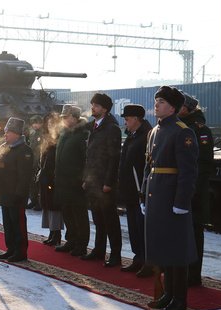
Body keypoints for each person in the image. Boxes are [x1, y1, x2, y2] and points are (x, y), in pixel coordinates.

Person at [142, 86, 198, 310]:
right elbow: (149, 166)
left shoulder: (182, 131)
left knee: (177, 249)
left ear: (173, 107)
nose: (157, 105)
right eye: (156, 101)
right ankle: (167, 293)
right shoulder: (155, 130)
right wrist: (143, 194)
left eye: (162, 101)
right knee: (163, 246)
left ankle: (179, 298)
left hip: (171, 196)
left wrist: (181, 202)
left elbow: (188, 171)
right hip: (157, 195)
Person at [178, 92, 214, 287]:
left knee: (194, 233)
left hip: (195, 193)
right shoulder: (178, 126)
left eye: (180, 105)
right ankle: (182, 271)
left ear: (188, 108)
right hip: (183, 190)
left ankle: (193, 275)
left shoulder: (200, 130)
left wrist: (191, 190)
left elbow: (204, 164)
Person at [82, 93, 122, 267]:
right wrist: (86, 179)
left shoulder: (112, 128)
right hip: (93, 180)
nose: (92, 108)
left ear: (104, 109)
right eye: (92, 104)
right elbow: (89, 156)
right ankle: (99, 250)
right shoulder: (94, 126)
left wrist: (108, 183)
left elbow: (114, 158)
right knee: (98, 218)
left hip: (104, 182)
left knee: (110, 220)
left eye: (96, 105)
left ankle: (115, 254)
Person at [117, 104, 153, 277]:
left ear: (136, 119)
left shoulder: (147, 135)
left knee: (142, 227)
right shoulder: (132, 135)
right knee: (133, 226)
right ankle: (138, 257)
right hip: (131, 189)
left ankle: (148, 261)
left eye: (127, 119)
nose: (125, 122)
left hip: (141, 190)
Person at [0, 117, 33, 262]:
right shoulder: (7, 148)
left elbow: (25, 176)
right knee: (8, 223)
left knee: (18, 224)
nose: (5, 135)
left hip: (16, 194)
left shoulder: (24, 151)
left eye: (8, 133)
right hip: (5, 192)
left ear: (16, 133)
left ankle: (21, 251)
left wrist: (20, 194)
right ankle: (10, 249)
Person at [54, 105, 90, 257]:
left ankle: (81, 244)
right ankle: (71, 240)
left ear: (75, 118)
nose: (63, 120)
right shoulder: (64, 133)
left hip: (76, 182)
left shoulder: (83, 135)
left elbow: (87, 159)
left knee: (79, 214)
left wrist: (85, 178)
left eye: (66, 117)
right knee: (67, 212)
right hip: (63, 180)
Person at [39, 113, 64, 246]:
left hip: (53, 178)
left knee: (54, 207)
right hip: (45, 177)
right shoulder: (47, 138)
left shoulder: (58, 138)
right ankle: (51, 233)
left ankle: (56, 234)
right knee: (47, 206)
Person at [26, 115, 43, 211]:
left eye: (36, 123)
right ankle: (33, 200)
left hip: (38, 160)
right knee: (31, 182)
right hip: (32, 159)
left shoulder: (42, 134)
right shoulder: (33, 133)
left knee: (37, 183)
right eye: (33, 123)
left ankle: (39, 202)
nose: (34, 125)